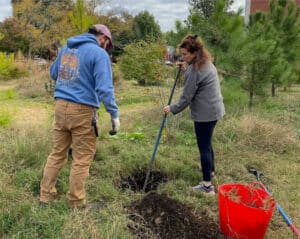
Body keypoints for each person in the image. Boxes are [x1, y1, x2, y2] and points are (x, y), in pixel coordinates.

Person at [40, 24, 120, 208]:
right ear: (103, 37)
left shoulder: (67, 47)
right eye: (107, 44)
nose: (106, 48)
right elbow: (105, 89)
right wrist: (114, 115)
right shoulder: (99, 54)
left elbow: (53, 74)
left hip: (61, 106)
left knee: (57, 153)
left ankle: (46, 196)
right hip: (83, 110)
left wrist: (72, 80)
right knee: (82, 158)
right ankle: (76, 202)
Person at [164, 34, 225, 196]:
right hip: (215, 110)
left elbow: (186, 97)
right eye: (181, 54)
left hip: (205, 113)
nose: (182, 57)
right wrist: (185, 67)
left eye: (185, 54)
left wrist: (172, 108)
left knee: (203, 146)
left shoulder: (195, 70)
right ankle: (211, 172)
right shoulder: (206, 62)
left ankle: (207, 186)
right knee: (207, 143)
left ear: (194, 53)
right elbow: (196, 77)